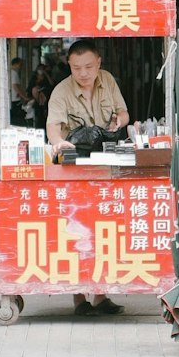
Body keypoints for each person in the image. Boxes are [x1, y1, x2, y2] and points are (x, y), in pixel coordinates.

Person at [46, 39, 131, 316]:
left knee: (102, 227)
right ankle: (79, 298)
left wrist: (119, 121)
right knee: (76, 229)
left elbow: (123, 113)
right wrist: (58, 143)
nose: (83, 73)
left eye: (88, 67)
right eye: (76, 68)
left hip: (106, 164)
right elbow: (53, 127)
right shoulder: (61, 91)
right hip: (74, 166)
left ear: (99, 64)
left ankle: (100, 295)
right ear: (69, 66)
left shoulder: (107, 80)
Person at [9, 56, 27, 125]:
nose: (20, 67)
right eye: (20, 65)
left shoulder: (11, 73)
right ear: (15, 64)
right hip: (14, 99)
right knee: (17, 117)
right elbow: (15, 86)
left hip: (14, 98)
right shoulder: (14, 73)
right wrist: (24, 97)